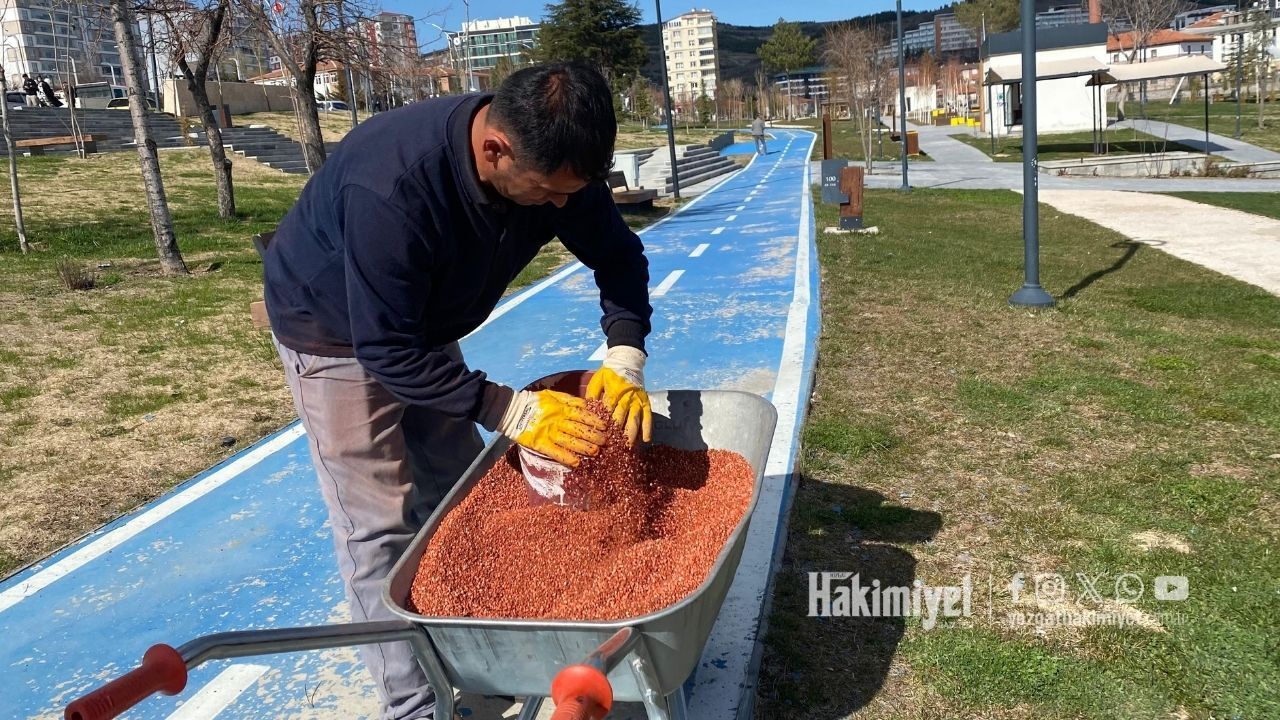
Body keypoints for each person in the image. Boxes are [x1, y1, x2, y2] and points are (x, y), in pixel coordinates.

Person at [262, 61, 653, 720]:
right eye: (548, 193)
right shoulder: (392, 187)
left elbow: (617, 256)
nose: (561, 207)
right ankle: (413, 707)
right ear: (495, 151)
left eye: (571, 192)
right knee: (378, 527)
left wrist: (625, 356)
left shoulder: (556, 163)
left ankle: (480, 654)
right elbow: (385, 349)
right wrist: (510, 408)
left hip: (420, 319)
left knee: (454, 491)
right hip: (332, 333)